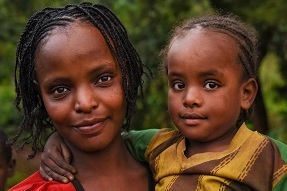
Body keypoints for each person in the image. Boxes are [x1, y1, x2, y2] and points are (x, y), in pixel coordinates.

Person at [40, 14, 287, 190]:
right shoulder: (159, 145)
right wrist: (58, 139)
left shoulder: (270, 155)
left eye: (211, 84)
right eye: (178, 85)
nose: (190, 99)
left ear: (246, 93)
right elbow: (115, 139)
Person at [8, 2, 155, 191]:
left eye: (103, 78)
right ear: (40, 96)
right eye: (60, 90)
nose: (85, 103)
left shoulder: (180, 168)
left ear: (126, 75)